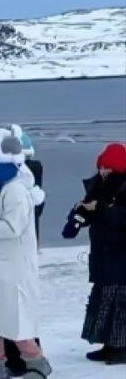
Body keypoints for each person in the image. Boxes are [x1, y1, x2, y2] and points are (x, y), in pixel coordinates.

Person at [0, 127, 49, 379]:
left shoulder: (15, 191)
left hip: (13, 269)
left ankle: (36, 361)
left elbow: (12, 227)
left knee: (16, 322)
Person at [62, 142, 126, 363]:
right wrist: (77, 218)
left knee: (119, 302)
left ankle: (121, 348)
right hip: (102, 253)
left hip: (121, 254)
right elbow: (88, 209)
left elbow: (121, 218)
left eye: (109, 168)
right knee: (104, 300)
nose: (103, 172)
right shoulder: (97, 187)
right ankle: (108, 344)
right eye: (102, 167)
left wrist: (98, 208)